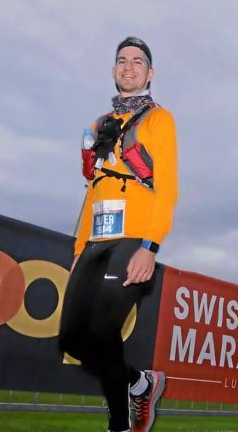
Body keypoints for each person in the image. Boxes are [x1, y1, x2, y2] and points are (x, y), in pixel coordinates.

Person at [59, 36, 178, 432]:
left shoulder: (160, 120)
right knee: (74, 340)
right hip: (95, 241)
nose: (129, 67)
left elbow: (168, 189)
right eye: (122, 61)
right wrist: (79, 248)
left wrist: (149, 245)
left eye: (138, 61)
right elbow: (91, 192)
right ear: (114, 70)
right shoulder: (96, 127)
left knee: (104, 329)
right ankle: (140, 383)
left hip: (134, 238)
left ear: (150, 72)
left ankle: (119, 425)